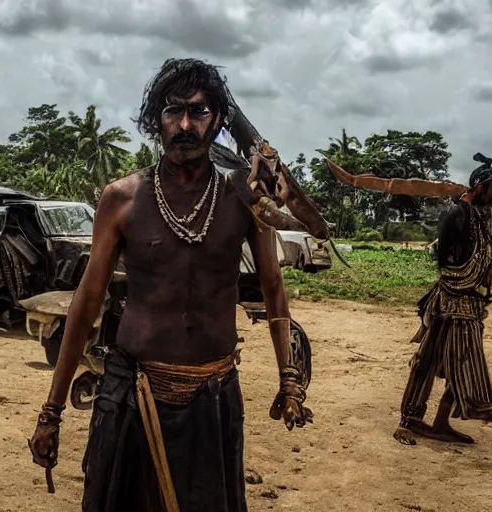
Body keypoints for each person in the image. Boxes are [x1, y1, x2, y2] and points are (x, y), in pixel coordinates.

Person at [27, 58, 313, 511]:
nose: (184, 123)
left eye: (198, 112)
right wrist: (51, 411)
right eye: (172, 111)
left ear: (218, 120)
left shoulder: (244, 198)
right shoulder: (122, 199)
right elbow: (86, 304)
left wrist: (290, 379)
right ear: (154, 121)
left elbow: (274, 287)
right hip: (132, 398)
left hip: (213, 398)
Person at [392, 155, 492, 444]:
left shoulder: (480, 216)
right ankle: (410, 420)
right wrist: (457, 283)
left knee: (459, 360)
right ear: (483, 186)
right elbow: (444, 258)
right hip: (452, 300)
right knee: (433, 360)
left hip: (469, 303)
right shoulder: (460, 214)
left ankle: (441, 423)